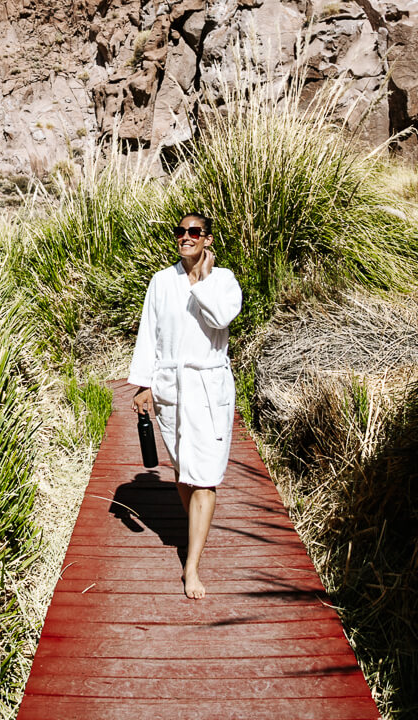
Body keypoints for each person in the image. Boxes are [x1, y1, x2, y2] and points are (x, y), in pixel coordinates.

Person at [128, 213, 242, 599]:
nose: (186, 237)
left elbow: (222, 317)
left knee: (206, 476)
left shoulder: (223, 280)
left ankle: (191, 566)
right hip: (170, 386)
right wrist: (144, 383)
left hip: (208, 385)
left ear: (207, 239)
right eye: (181, 231)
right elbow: (149, 334)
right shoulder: (161, 281)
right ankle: (194, 528)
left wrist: (201, 282)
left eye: (194, 232)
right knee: (182, 471)